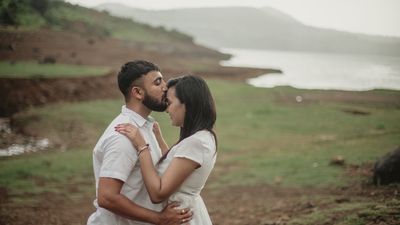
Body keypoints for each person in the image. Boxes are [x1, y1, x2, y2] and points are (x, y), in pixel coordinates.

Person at [87, 60, 192, 225]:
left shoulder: (145, 127)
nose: (165, 87)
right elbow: (107, 197)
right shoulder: (122, 136)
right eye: (158, 82)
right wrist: (159, 218)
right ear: (137, 92)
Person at [115, 75, 217, 225]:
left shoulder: (196, 143)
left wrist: (142, 147)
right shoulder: (202, 137)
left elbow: (157, 194)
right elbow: (175, 167)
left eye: (169, 103)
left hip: (181, 218)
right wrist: (159, 139)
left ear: (187, 104)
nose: (166, 109)